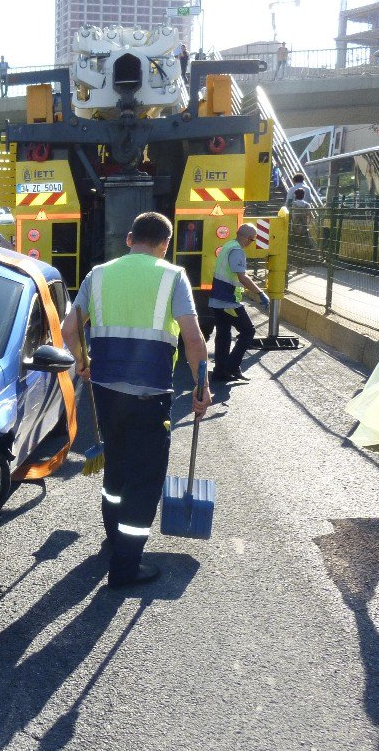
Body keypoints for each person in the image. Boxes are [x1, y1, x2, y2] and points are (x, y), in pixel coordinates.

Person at [61, 212, 212, 589]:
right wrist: (201, 384)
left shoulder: (98, 275)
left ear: (129, 238)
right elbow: (193, 340)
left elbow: (69, 328)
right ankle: (126, 566)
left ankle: (113, 540)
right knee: (144, 480)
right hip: (150, 395)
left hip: (106, 392)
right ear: (165, 243)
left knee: (116, 467)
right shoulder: (172, 276)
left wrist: (83, 361)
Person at [209, 223, 269, 383]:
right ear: (248, 239)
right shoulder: (237, 251)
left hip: (218, 299)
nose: (251, 243)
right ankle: (232, 366)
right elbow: (242, 277)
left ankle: (220, 372)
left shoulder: (228, 245)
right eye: (252, 239)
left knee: (223, 336)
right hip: (229, 302)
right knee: (248, 331)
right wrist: (260, 292)